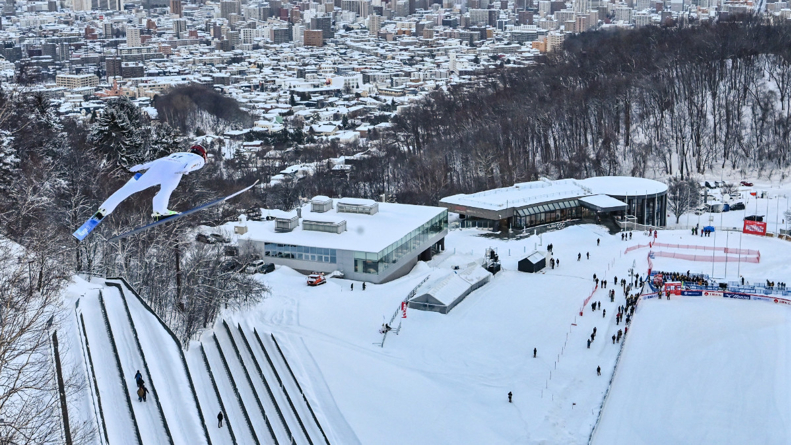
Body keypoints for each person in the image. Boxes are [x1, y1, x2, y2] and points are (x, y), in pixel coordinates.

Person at [93, 145, 208, 221]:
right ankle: (159, 211)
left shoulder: (178, 153)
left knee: (132, 188)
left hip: (161, 165)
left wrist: (141, 166)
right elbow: (194, 162)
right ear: (203, 154)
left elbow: (157, 161)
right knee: (167, 188)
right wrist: (187, 168)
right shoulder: (200, 159)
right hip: (175, 168)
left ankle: (104, 209)